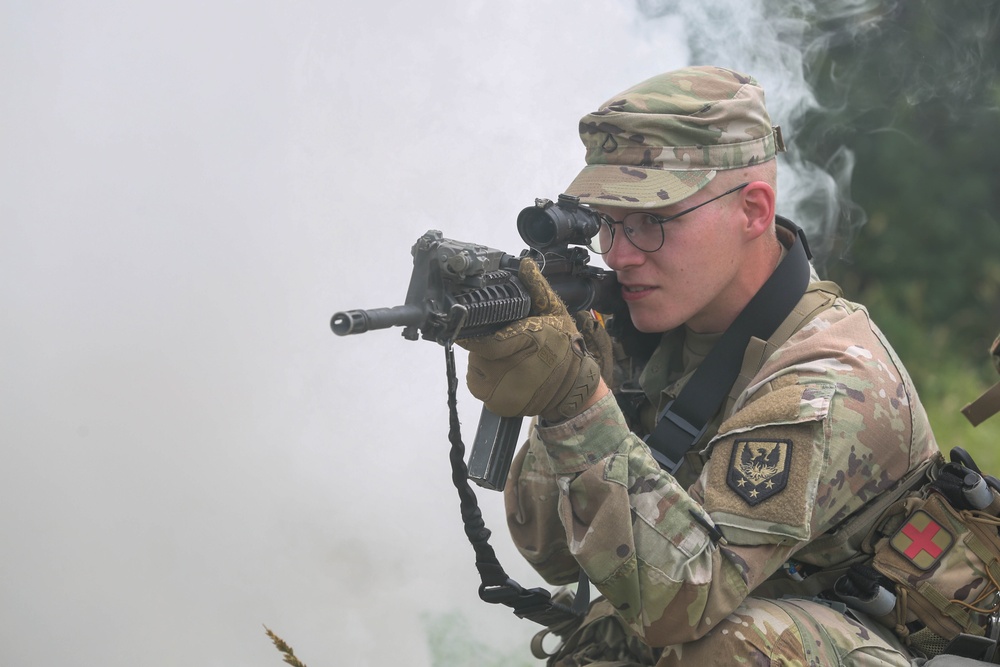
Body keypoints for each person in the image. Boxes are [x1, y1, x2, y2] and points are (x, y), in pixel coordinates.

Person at [458, 66, 947, 665]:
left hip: (887, 645)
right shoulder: (660, 334)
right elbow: (551, 551)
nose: (619, 254)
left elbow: (682, 600)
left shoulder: (831, 378)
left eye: (653, 222)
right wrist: (571, 380)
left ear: (753, 210)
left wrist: (577, 408)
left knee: (722, 647)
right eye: (608, 223)